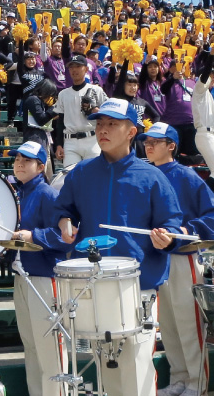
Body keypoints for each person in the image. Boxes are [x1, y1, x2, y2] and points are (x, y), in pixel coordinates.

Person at [53, 98, 184, 396]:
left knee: (137, 368)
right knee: (106, 369)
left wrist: (168, 237)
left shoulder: (152, 176)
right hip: (95, 283)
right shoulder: (81, 173)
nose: (103, 129)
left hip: (139, 286)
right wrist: (64, 221)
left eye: (112, 124)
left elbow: (172, 222)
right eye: (100, 123)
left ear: (131, 131)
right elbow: (62, 209)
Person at [140, 123, 214, 396]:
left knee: (189, 324)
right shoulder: (144, 174)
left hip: (183, 258)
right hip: (156, 260)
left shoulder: (186, 176)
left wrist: (188, 231)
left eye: (156, 141)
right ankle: (178, 378)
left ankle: (196, 383)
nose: (149, 145)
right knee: (168, 325)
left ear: (172, 145)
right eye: (146, 141)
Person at [4, 141, 67, 396]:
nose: (19, 163)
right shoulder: (17, 194)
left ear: (41, 166)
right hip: (23, 276)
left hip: (44, 277)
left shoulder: (47, 194)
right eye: (17, 158)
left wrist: (33, 236)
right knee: (30, 345)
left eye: (26, 160)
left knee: (48, 348)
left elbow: (65, 237)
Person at [53, 54, 107, 168]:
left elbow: (107, 115)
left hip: (92, 139)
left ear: (86, 69)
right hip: (70, 141)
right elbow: (60, 122)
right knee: (71, 177)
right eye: (71, 67)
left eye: (78, 66)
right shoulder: (63, 94)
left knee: (94, 175)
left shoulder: (96, 90)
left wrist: (94, 110)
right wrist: (58, 145)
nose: (74, 70)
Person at [192, 51, 214, 191]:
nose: (213, 78)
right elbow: (204, 76)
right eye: (211, 75)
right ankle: (195, 197)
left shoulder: (210, 94)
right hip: (205, 134)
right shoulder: (199, 90)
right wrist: (212, 55)